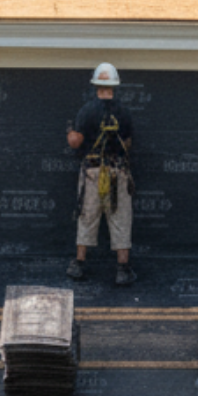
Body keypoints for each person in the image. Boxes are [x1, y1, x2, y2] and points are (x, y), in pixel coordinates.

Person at [66, 62, 137, 286]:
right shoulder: (124, 112)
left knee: (87, 216)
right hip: (118, 171)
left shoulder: (87, 110)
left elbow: (76, 143)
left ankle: (78, 265)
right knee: (121, 219)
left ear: (96, 85)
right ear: (114, 86)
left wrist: (70, 132)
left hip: (93, 172)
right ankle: (123, 270)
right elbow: (128, 143)